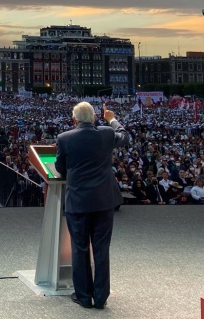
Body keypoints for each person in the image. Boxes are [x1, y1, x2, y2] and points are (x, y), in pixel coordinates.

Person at [55, 102, 131, 310]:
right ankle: (100, 297)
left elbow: (60, 167)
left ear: (74, 119)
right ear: (95, 117)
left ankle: (83, 296)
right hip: (103, 201)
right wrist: (112, 119)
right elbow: (125, 137)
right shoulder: (106, 133)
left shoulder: (64, 138)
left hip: (78, 201)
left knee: (80, 248)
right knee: (101, 248)